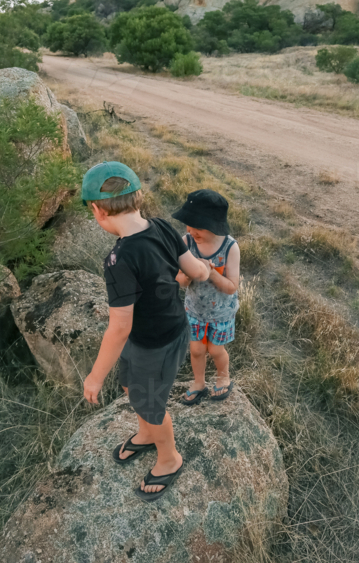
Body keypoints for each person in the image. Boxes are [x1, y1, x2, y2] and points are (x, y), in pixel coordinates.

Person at [80, 161, 212, 502]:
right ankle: (146, 434)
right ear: (137, 198)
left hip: (155, 343)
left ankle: (169, 459)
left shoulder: (119, 260)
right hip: (162, 333)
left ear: (97, 210)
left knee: (151, 403)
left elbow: (119, 327)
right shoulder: (163, 227)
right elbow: (194, 269)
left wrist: (94, 377)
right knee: (131, 386)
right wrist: (205, 269)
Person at [173, 189, 241, 405]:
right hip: (194, 310)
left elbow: (232, 287)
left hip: (221, 313)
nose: (191, 230)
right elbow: (179, 280)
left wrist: (210, 273)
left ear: (215, 226)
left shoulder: (230, 247)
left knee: (215, 350)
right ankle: (199, 382)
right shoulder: (187, 242)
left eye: (198, 226)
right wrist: (191, 274)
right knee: (196, 349)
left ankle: (223, 378)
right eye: (188, 224)